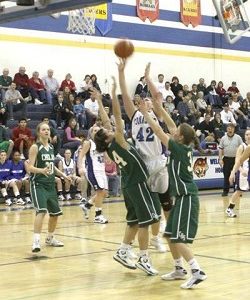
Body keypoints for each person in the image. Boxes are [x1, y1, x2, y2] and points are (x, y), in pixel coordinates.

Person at [138, 91, 207, 289]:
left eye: (176, 132)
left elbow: (160, 132)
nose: (173, 132)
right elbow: (167, 124)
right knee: (169, 234)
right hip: (182, 197)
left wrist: (146, 114)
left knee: (177, 237)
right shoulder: (182, 146)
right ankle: (179, 268)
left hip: (187, 197)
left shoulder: (178, 148)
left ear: (180, 137)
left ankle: (197, 271)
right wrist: (157, 103)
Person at [94, 78, 161, 275]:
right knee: (145, 222)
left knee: (133, 220)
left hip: (129, 184)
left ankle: (123, 250)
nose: (110, 128)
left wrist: (99, 101)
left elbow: (107, 119)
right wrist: (114, 94)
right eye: (108, 130)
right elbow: (116, 115)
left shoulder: (111, 144)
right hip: (137, 184)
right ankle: (144, 258)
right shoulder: (120, 141)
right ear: (107, 137)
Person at [118, 59, 171, 253]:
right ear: (138, 103)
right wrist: (122, 73)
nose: (147, 100)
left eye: (148, 99)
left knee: (166, 203)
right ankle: (148, 239)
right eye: (143, 99)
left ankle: (159, 238)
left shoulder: (157, 112)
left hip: (159, 161)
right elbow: (124, 95)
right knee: (151, 207)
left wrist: (148, 78)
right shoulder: (134, 115)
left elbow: (156, 95)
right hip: (142, 164)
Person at [27, 122, 71, 253]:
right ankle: (36, 241)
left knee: (55, 214)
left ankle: (50, 238)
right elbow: (29, 168)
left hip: (50, 185)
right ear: (39, 132)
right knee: (41, 211)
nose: (46, 131)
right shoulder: (35, 147)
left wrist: (64, 175)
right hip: (38, 184)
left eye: (48, 129)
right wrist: (41, 171)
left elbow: (52, 167)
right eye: (44, 129)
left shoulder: (51, 147)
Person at [78, 123, 108, 224]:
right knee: (100, 192)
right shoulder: (88, 143)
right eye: (94, 131)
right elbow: (81, 156)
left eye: (98, 131)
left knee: (104, 193)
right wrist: (80, 167)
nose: (96, 132)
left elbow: (106, 158)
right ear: (91, 133)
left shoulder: (102, 144)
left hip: (102, 170)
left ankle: (87, 205)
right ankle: (98, 215)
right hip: (93, 171)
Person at [227, 129, 250, 217]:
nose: (248, 136)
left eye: (249, 134)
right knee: (239, 191)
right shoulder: (242, 147)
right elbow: (237, 161)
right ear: (244, 136)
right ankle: (230, 208)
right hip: (243, 173)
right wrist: (240, 170)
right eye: (247, 134)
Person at [219, 124, 243, 197]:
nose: (230, 130)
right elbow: (220, 149)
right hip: (226, 159)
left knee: (237, 176)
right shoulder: (223, 138)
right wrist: (220, 159)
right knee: (226, 176)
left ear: (234, 129)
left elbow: (242, 147)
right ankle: (225, 191)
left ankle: (237, 191)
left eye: (231, 128)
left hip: (236, 159)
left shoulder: (238, 138)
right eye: (229, 128)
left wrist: (241, 159)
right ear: (227, 129)